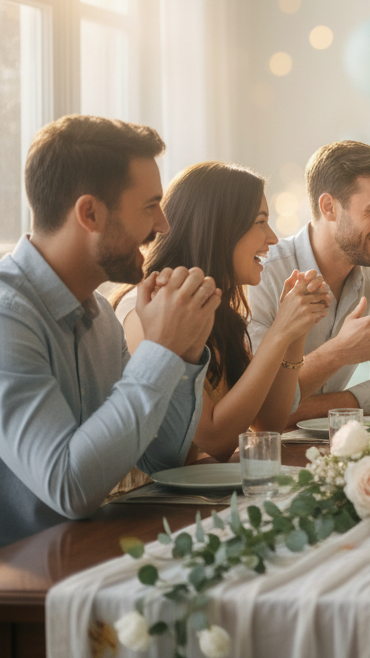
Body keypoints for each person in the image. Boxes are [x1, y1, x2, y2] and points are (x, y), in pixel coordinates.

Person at [0, 115, 218, 547]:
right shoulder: (8, 318)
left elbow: (161, 458)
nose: (163, 225)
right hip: (21, 578)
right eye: (150, 206)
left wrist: (186, 350)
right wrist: (160, 348)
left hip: (85, 557)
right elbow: (69, 487)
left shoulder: (100, 313)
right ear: (90, 213)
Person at [114, 162, 331, 464]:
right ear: (219, 229)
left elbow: (268, 425)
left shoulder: (218, 310)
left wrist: (295, 331)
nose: (272, 237)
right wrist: (280, 330)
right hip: (146, 493)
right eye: (260, 221)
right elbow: (216, 440)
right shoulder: (150, 310)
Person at [248, 141, 370, 424]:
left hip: (337, 443)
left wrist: (329, 408)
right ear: (329, 207)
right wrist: (339, 352)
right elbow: (255, 409)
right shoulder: (262, 274)